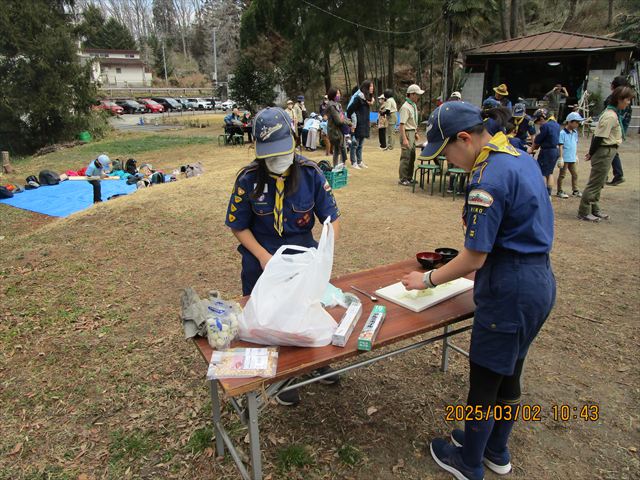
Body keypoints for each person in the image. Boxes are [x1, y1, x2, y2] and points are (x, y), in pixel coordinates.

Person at [407, 101, 555, 480]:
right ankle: (495, 448)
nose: (447, 161)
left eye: (446, 153)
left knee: (485, 381)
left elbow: (474, 257)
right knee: (509, 372)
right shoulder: (517, 154)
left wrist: (426, 280)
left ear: (464, 138)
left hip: (509, 287)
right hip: (538, 282)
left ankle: (469, 461)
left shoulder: (486, 177)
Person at [225, 107, 342, 405]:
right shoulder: (248, 179)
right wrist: (264, 257)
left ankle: (316, 363)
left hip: (300, 259)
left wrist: (323, 257)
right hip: (259, 260)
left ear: (293, 140)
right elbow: (238, 226)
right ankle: (281, 376)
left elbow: (331, 220)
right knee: (265, 321)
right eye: (271, 154)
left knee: (304, 313)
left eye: (283, 151)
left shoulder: (311, 174)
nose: (279, 159)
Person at [578, 86, 634, 222]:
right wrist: (591, 153)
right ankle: (584, 211)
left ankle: (595, 209)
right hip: (604, 150)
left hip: (609, 151)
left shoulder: (614, 114)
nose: (628, 103)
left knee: (600, 182)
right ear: (619, 100)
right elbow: (598, 137)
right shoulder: (610, 116)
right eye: (627, 100)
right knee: (595, 183)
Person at [604, 76, 633, 186]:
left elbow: (608, 114)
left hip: (612, 129)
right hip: (619, 130)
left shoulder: (613, 99)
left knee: (607, 151)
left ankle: (609, 175)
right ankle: (616, 174)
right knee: (612, 151)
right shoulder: (627, 99)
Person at [529, 108, 560, 196]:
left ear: (542, 118)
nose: (538, 124)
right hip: (555, 150)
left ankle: (541, 192)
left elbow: (538, 140)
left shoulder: (545, 126)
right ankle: (549, 193)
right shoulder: (556, 125)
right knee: (550, 173)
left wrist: (532, 149)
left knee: (541, 172)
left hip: (547, 152)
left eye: (538, 122)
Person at [398, 83, 424, 186]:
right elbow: (402, 125)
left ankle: (409, 177)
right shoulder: (405, 107)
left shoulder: (412, 105)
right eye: (417, 94)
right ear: (412, 94)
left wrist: (416, 132)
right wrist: (404, 139)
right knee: (406, 157)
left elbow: (413, 121)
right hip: (407, 133)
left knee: (412, 156)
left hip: (412, 132)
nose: (418, 97)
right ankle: (403, 178)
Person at [347, 80, 375, 169]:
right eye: (370, 86)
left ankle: (359, 161)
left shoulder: (368, 99)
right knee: (355, 144)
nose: (372, 88)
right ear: (366, 88)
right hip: (358, 124)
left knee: (361, 144)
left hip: (364, 124)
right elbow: (350, 109)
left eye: (372, 86)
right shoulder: (358, 98)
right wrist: (355, 119)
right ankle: (353, 162)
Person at [556, 111, 584, 199]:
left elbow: (575, 144)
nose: (578, 124)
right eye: (576, 122)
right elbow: (560, 145)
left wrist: (576, 155)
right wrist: (560, 157)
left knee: (575, 174)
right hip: (565, 158)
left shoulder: (575, 132)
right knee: (562, 175)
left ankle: (575, 190)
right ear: (570, 122)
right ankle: (559, 190)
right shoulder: (562, 133)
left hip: (572, 157)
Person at [326, 87, 351, 166]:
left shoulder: (338, 105)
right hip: (335, 132)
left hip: (340, 131)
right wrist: (348, 123)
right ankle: (340, 167)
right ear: (332, 95)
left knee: (337, 150)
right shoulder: (331, 106)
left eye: (339, 93)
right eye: (337, 93)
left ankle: (337, 168)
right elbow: (339, 121)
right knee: (342, 150)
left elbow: (343, 116)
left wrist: (349, 121)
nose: (339, 95)